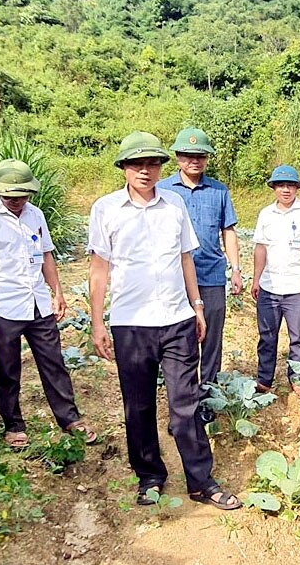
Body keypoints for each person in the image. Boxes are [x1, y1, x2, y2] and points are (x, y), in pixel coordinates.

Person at [88, 131, 240, 510]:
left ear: (160, 167)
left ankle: (201, 480)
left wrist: (197, 307)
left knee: (185, 403)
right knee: (137, 405)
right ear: (123, 167)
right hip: (131, 323)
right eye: (137, 163)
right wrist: (97, 322)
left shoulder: (174, 205)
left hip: (176, 319)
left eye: (152, 163)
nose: (145, 170)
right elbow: (98, 269)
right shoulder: (105, 209)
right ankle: (150, 475)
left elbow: (186, 259)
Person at [0, 159, 95, 449]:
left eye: (22, 196)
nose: (16, 201)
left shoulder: (35, 214)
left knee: (54, 362)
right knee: (7, 368)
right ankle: (13, 424)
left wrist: (57, 291)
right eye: (10, 196)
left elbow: (46, 255)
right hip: (3, 304)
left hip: (37, 303)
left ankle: (70, 419)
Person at [157, 127, 242, 424]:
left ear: (206, 159)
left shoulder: (219, 191)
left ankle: (206, 397)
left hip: (211, 275)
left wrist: (236, 270)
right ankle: (181, 406)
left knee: (212, 340)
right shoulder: (163, 190)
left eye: (200, 156)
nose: (194, 160)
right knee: (179, 343)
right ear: (178, 157)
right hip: (174, 278)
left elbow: (228, 231)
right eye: (188, 155)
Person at [251, 165, 300, 399]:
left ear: (297, 187)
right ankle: (264, 379)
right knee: (267, 335)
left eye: (290, 185)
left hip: (297, 286)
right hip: (270, 286)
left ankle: (297, 377)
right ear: (274, 187)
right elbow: (260, 248)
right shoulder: (266, 214)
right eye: (281, 185)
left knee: (298, 337)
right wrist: (256, 278)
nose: (286, 189)